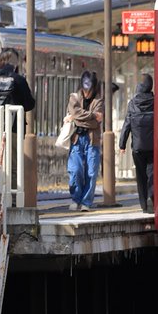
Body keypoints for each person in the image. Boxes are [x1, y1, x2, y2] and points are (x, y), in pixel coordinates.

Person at [0, 48, 36, 190]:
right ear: (15, 65)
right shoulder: (18, 80)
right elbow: (30, 104)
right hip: (13, 130)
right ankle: (13, 199)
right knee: (13, 168)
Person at [64, 70, 104, 211]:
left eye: (89, 88)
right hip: (77, 138)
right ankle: (76, 199)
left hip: (92, 140)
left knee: (91, 172)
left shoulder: (99, 101)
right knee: (75, 170)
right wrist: (92, 116)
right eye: (85, 87)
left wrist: (77, 118)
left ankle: (86, 202)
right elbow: (79, 114)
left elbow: (95, 122)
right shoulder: (74, 97)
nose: (86, 92)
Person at [119, 74, 155, 213]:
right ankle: (152, 199)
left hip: (138, 147)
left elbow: (127, 124)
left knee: (141, 176)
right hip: (153, 147)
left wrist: (122, 144)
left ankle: (144, 205)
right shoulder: (156, 102)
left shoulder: (133, 103)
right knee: (152, 174)